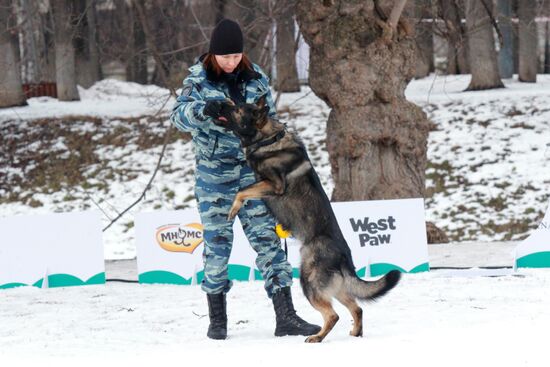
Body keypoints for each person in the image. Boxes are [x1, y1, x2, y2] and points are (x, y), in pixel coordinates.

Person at [170, 19, 321, 340]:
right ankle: (218, 321)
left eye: (236, 55)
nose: (231, 61)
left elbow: (273, 120)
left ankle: (286, 316)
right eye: (225, 56)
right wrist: (203, 109)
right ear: (213, 54)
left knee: (269, 240)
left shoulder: (257, 79)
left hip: (254, 173)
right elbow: (177, 117)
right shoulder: (197, 80)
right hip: (215, 178)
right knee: (217, 246)